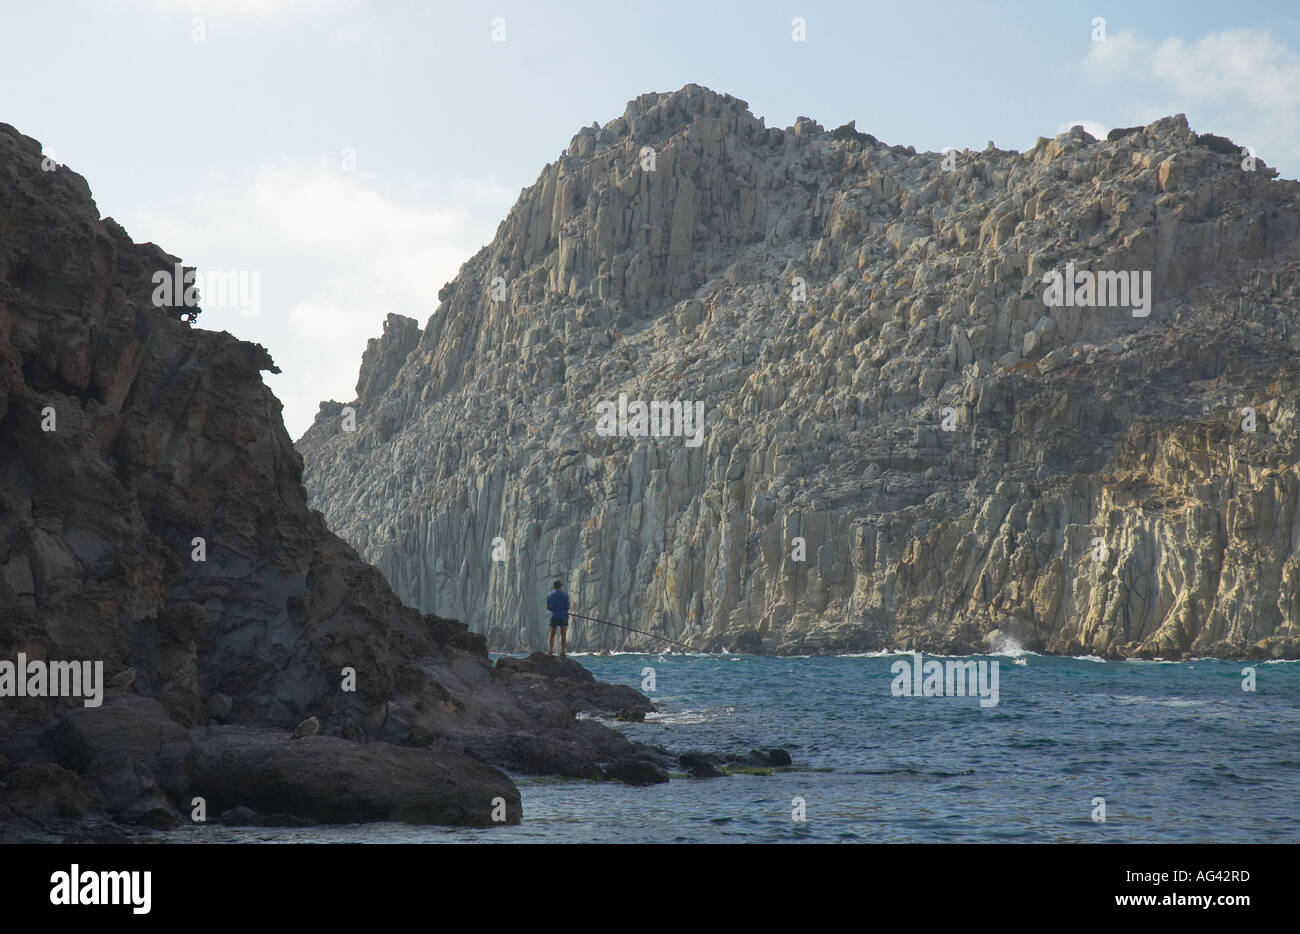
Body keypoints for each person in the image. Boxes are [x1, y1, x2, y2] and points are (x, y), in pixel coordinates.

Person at [546, 581, 570, 658]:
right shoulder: (565, 595)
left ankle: (550, 651)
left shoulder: (550, 594)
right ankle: (562, 651)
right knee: (563, 634)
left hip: (554, 616)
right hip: (563, 616)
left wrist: (554, 609)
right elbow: (567, 607)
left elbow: (547, 607)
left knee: (552, 634)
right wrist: (563, 610)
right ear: (560, 586)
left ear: (554, 586)